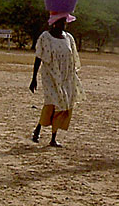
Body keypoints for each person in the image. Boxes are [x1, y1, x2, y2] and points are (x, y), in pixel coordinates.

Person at [29, 12, 85, 147]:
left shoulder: (68, 38)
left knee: (62, 104)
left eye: (65, 22)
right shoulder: (45, 37)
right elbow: (39, 57)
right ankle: (39, 130)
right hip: (50, 75)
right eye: (61, 22)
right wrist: (34, 78)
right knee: (52, 102)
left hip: (66, 76)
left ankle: (51, 136)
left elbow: (72, 58)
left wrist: (73, 76)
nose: (63, 25)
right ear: (54, 23)